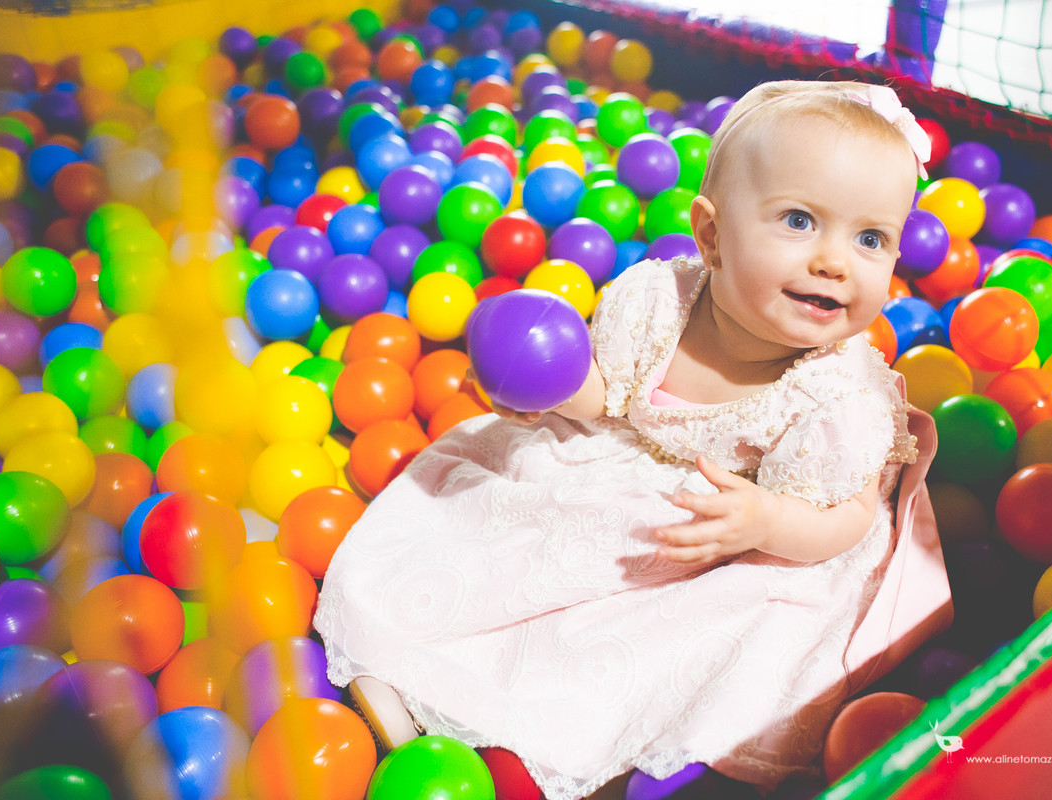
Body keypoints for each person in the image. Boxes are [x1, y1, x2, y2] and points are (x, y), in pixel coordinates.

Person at [314, 79, 953, 799]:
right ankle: (408, 675)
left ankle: (555, 750)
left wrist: (766, 521)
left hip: (757, 537)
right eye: (800, 221)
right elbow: (612, 401)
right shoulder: (660, 304)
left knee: (685, 643)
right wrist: (555, 390)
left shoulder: (841, 397)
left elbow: (848, 520)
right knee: (491, 535)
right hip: (618, 474)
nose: (835, 261)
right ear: (711, 234)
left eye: (871, 239)